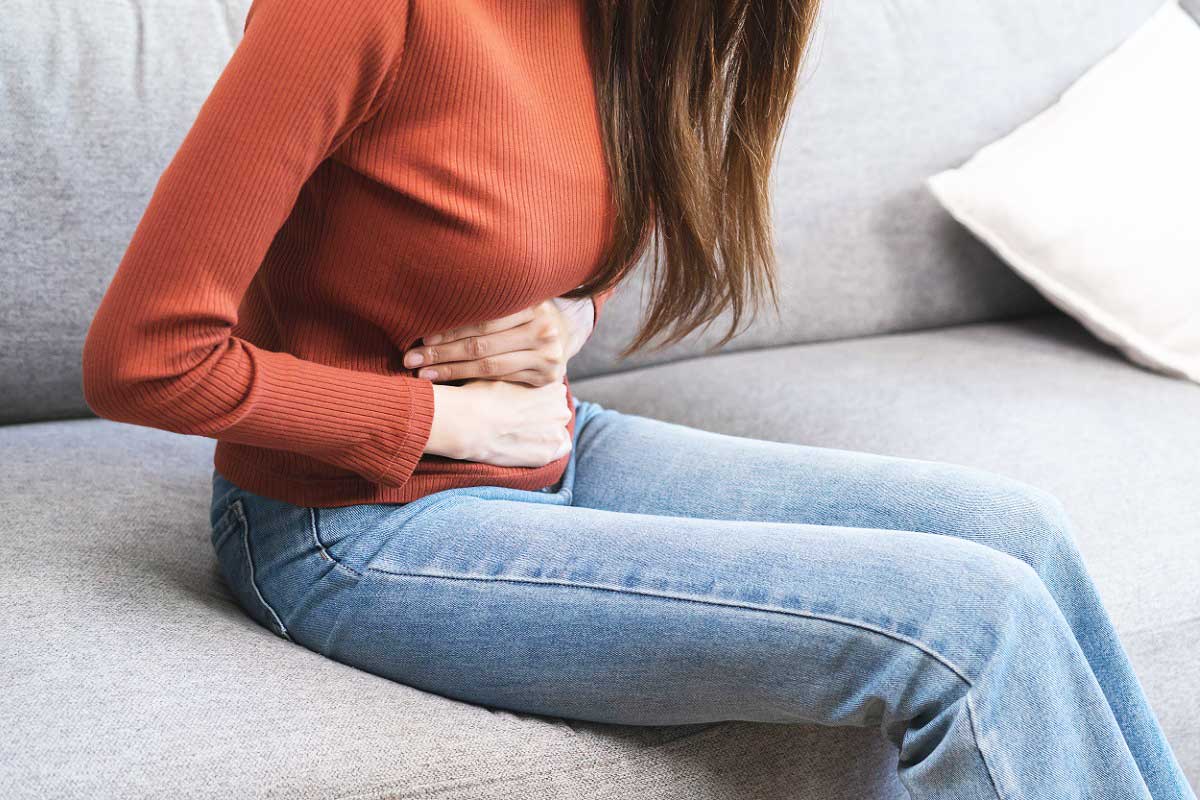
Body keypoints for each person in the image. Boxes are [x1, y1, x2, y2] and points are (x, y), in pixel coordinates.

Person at [80, 1, 1196, 798]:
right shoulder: (355, 10)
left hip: (556, 442)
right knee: (966, 622)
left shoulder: (634, 19)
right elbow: (144, 354)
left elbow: (578, 220)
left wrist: (568, 313)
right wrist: (436, 422)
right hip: (346, 526)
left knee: (1020, 531)